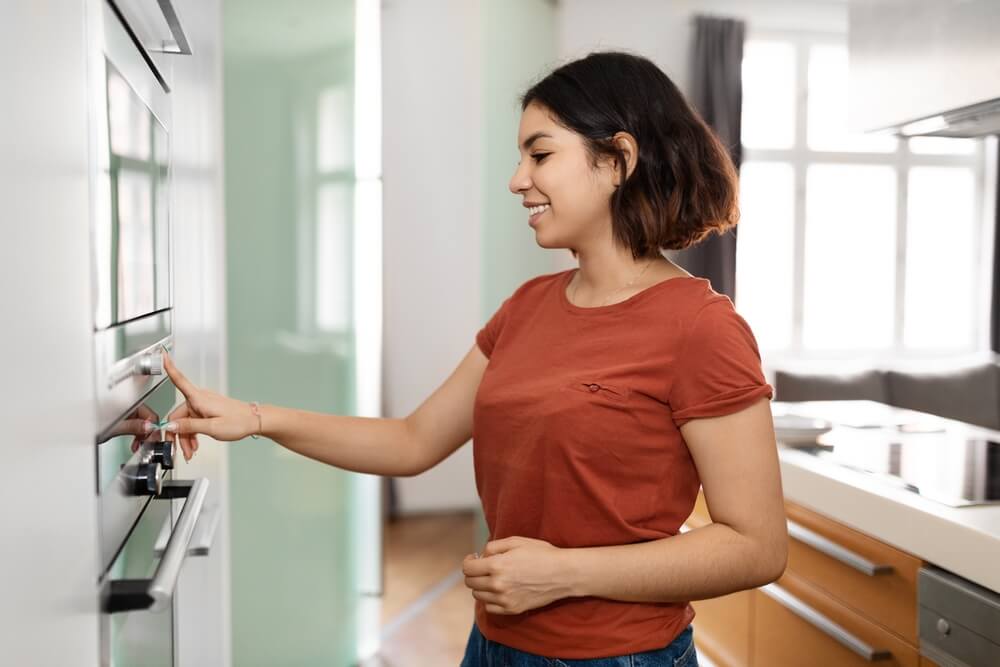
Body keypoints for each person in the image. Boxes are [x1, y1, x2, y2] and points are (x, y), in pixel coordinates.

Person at [162, 51, 787, 667]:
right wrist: (254, 417)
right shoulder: (526, 307)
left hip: (618, 658)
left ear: (619, 159)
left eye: (540, 155)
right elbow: (412, 441)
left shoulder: (702, 328)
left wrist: (563, 574)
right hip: (493, 647)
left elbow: (756, 547)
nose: (518, 179)